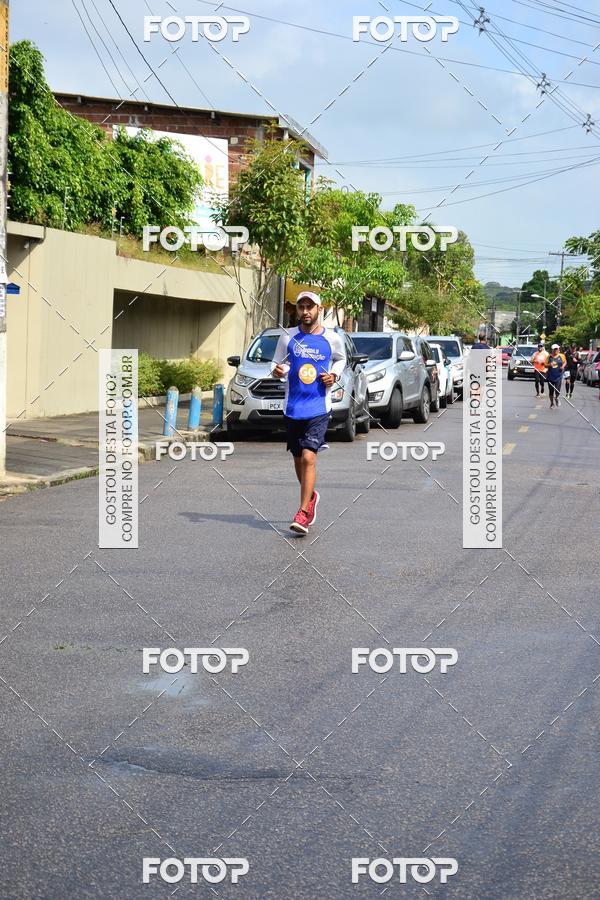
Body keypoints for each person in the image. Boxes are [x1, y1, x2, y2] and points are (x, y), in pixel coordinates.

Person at [271, 291, 346, 534]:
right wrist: (278, 370)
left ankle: (302, 513)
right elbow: (275, 364)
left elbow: (340, 360)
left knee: (308, 457)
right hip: (293, 406)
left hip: (318, 406)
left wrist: (333, 375)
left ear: (319, 310)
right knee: (297, 459)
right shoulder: (288, 337)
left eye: (309, 307)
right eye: (301, 307)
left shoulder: (332, 338)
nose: (305, 311)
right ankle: (311, 497)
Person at [546, 343, 565, 409]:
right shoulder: (549, 357)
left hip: (558, 376)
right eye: (554, 349)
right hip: (550, 376)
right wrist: (549, 365)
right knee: (551, 391)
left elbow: (565, 362)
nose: (556, 350)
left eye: (557, 349)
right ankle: (552, 403)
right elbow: (545, 365)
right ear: (552, 350)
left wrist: (562, 366)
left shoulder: (562, 356)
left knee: (557, 390)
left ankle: (556, 398)